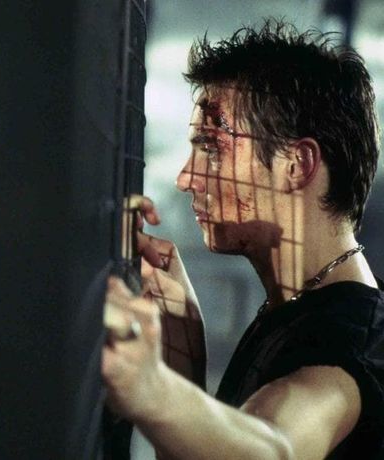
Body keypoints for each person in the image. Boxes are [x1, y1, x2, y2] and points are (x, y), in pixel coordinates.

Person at [102, 20, 384, 458]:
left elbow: (277, 447)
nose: (185, 178)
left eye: (212, 148)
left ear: (297, 165)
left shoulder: (351, 344)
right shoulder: (295, 306)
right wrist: (184, 356)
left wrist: (153, 386)